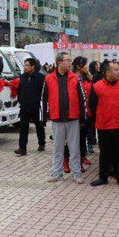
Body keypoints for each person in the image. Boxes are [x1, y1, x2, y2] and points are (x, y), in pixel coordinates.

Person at [42, 52, 84, 184]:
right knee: (57, 148)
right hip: (57, 119)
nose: (70, 63)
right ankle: (56, 172)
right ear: (60, 62)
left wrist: (82, 117)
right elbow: (43, 100)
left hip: (73, 118)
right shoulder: (48, 79)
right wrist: (43, 117)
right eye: (67, 60)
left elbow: (82, 99)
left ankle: (76, 173)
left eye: (70, 60)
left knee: (74, 148)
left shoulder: (75, 78)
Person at [88, 61, 119, 188]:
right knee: (104, 152)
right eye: (116, 70)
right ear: (107, 72)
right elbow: (92, 105)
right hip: (104, 125)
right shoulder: (97, 86)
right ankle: (103, 177)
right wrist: (101, 117)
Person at [15, 58, 46, 156]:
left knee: (39, 126)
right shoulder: (22, 77)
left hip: (36, 107)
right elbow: (19, 90)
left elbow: (44, 92)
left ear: (33, 66)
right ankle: (22, 148)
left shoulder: (41, 77)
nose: (25, 67)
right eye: (25, 65)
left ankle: (42, 143)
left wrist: (40, 104)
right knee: (23, 128)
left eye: (27, 65)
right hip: (24, 107)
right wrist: (21, 100)